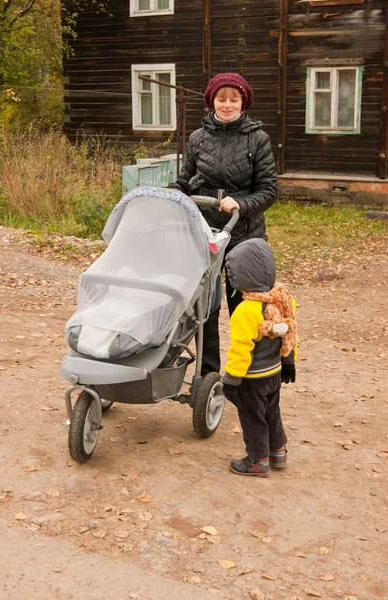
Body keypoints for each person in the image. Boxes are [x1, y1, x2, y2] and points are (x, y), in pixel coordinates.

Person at [175, 72, 278, 376]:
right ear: (212, 101)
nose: (228, 104)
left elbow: (269, 190)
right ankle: (208, 379)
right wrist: (174, 194)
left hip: (243, 235)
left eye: (234, 98)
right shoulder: (198, 138)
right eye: (222, 98)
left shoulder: (257, 138)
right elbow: (183, 183)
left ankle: (248, 374)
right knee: (204, 309)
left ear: (243, 101)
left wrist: (240, 204)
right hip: (203, 232)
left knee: (244, 308)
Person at [221, 238, 298, 477]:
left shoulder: (246, 310)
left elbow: (241, 348)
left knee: (253, 417)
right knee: (271, 412)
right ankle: (278, 452)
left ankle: (258, 460)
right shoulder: (283, 299)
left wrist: (232, 380)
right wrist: (289, 361)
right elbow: (290, 333)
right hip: (274, 372)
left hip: (252, 378)